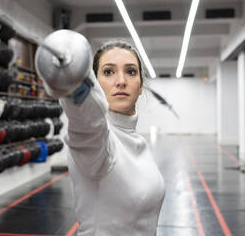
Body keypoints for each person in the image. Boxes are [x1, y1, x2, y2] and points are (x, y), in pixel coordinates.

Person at [56, 40, 166, 235]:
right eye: (108, 72)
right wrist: (73, 87)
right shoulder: (99, 141)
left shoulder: (137, 142)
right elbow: (86, 124)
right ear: (95, 84)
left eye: (131, 72)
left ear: (141, 86)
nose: (121, 80)